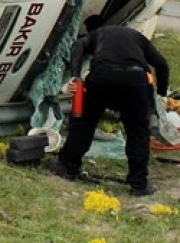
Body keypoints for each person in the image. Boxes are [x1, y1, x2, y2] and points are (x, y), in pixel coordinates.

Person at [51, 18, 170, 196]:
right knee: (137, 131)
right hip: (135, 81)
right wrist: (161, 94)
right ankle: (139, 184)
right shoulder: (136, 37)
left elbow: (77, 45)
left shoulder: (97, 34)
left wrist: (75, 76)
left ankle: (68, 167)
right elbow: (162, 64)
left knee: (85, 123)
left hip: (102, 77)